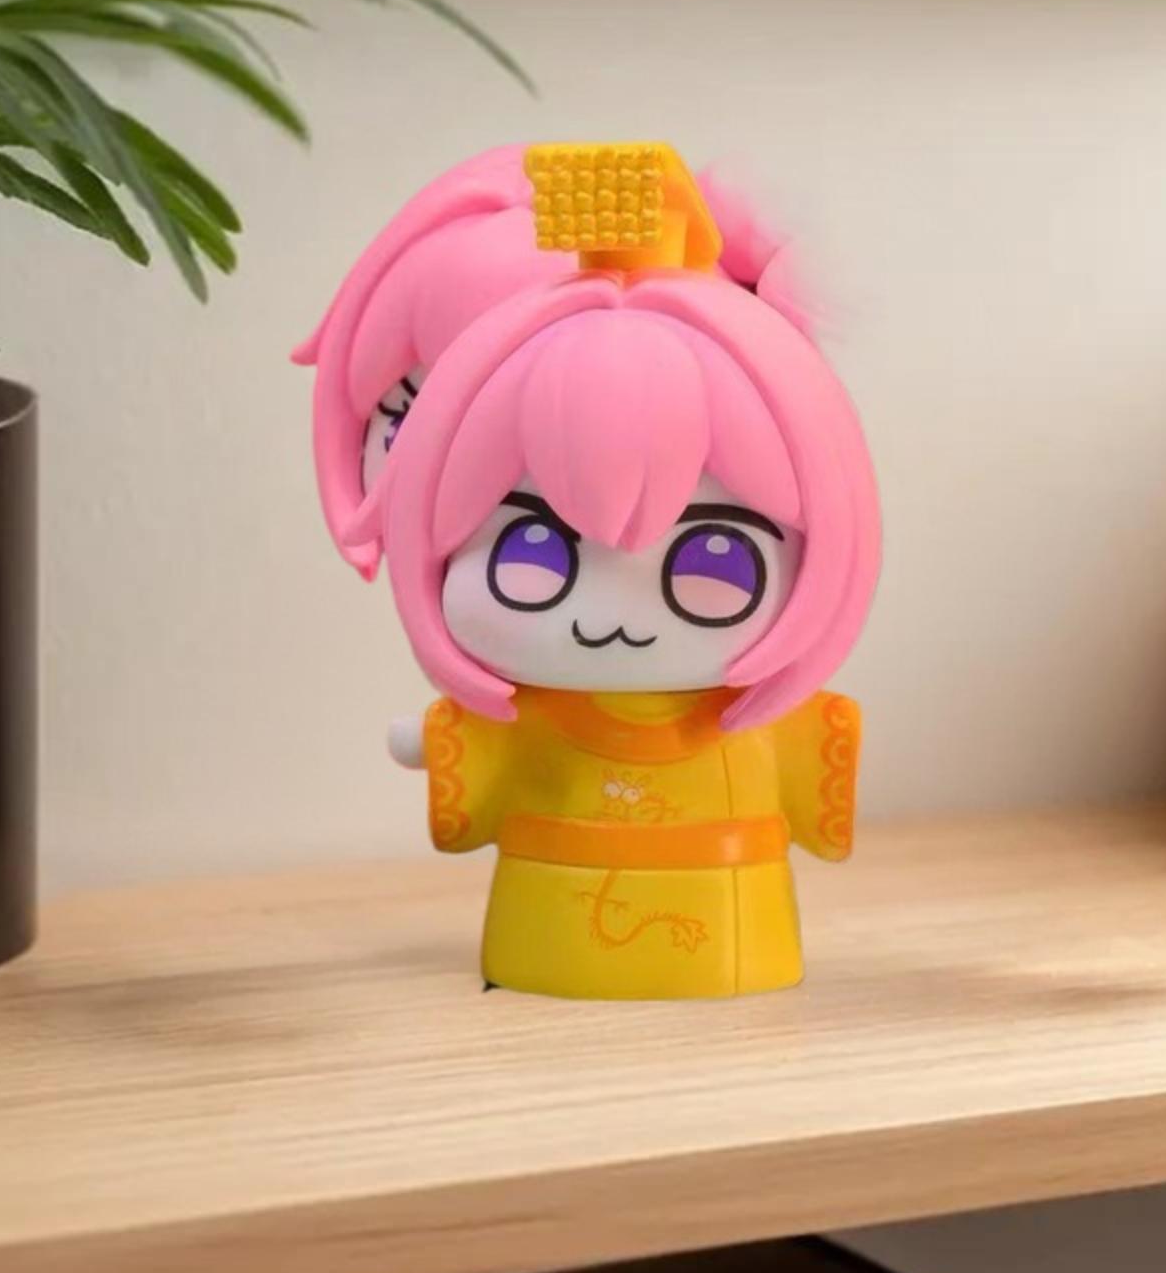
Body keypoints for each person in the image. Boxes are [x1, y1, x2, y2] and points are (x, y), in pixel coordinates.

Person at [296, 143, 881, 999]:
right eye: (533, 552)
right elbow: (487, 754)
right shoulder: (538, 712)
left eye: (713, 556)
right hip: (549, 927)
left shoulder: (745, 717)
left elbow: (806, 750)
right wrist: (445, 738)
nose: (611, 616)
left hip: (732, 929)